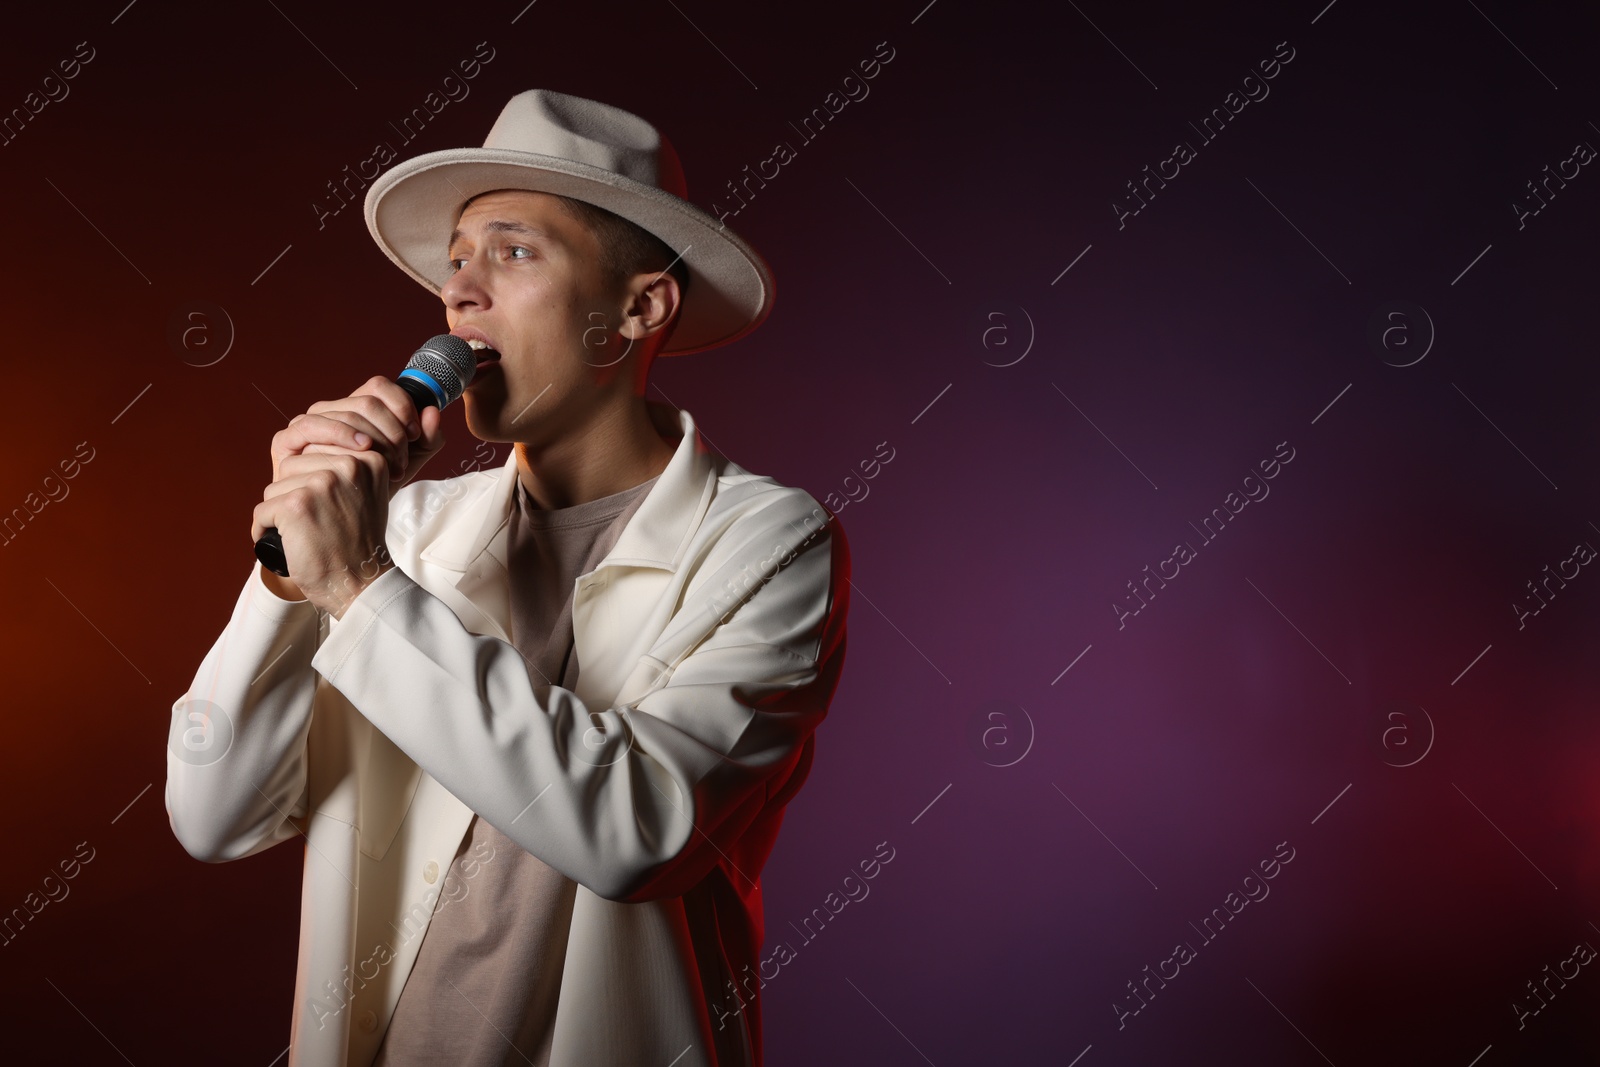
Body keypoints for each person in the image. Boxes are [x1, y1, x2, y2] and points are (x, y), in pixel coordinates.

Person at [165, 88, 850, 1067]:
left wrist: (358, 583)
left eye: (513, 251)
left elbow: (637, 830)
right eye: (454, 258)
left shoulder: (769, 542)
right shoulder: (403, 527)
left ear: (637, 306)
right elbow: (213, 812)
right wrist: (286, 580)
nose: (459, 291)